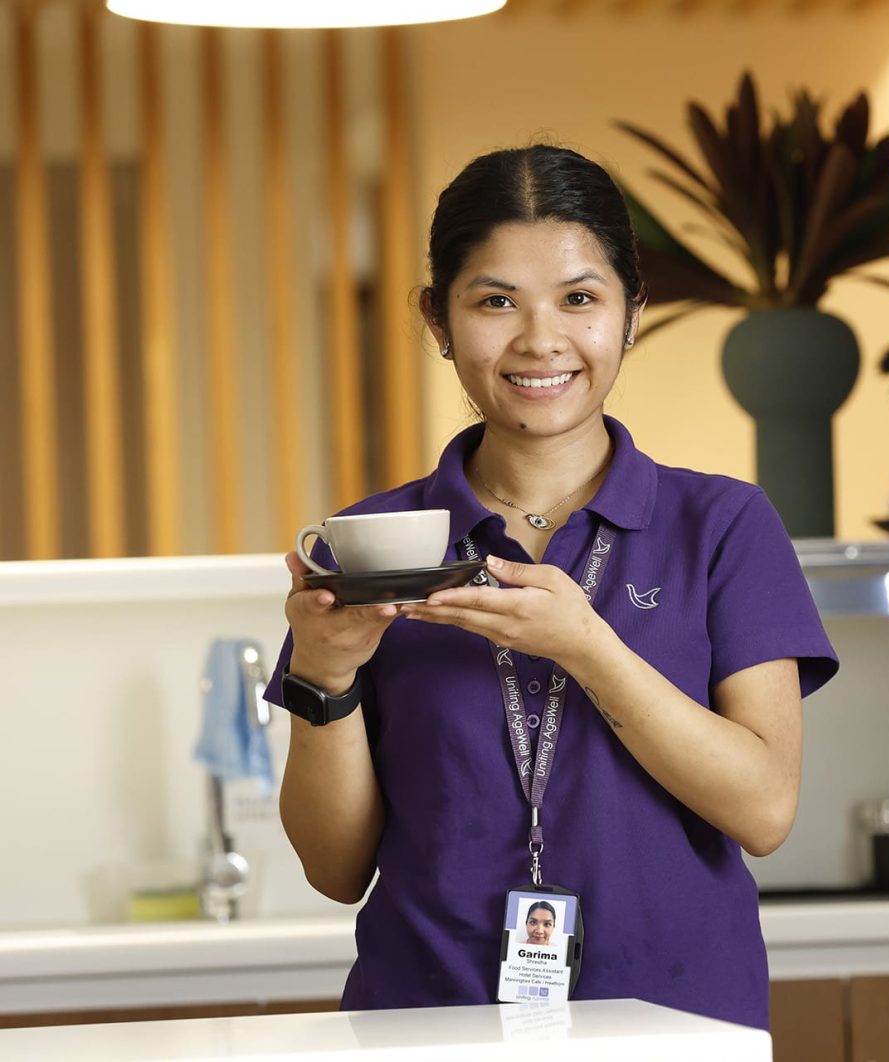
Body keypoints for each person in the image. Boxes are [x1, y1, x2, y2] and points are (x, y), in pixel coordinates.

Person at [267, 144, 838, 1031]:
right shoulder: (377, 541)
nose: (540, 340)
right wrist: (324, 674)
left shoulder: (724, 525)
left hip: (677, 1023)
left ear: (632, 314)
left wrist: (587, 647)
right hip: (426, 1025)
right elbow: (335, 870)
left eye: (579, 299)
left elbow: (763, 810)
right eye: (495, 301)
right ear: (436, 319)